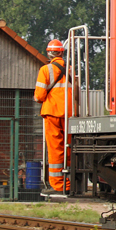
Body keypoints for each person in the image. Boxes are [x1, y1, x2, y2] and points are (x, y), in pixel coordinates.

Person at [34, 39, 74, 192]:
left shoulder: (46, 70)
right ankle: (71, 182)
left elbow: (39, 95)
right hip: (70, 112)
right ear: (61, 53)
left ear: (49, 53)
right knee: (69, 147)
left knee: (55, 148)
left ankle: (58, 185)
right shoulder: (70, 69)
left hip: (52, 112)